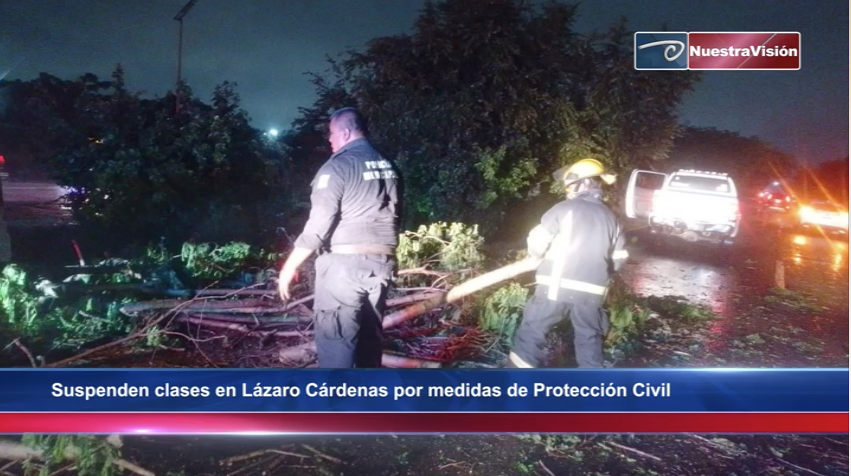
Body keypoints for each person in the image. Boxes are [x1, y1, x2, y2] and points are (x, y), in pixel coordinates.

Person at [278, 107, 401, 368]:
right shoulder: (388, 165)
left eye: (332, 133)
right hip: (381, 264)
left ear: (345, 132)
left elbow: (318, 226)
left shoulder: (337, 167)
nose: (329, 139)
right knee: (369, 342)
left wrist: (289, 266)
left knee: (336, 344)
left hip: (344, 269)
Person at [506, 158, 628, 369]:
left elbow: (537, 243)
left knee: (531, 334)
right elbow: (619, 260)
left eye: (571, 186)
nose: (569, 191)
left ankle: (516, 383)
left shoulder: (564, 209)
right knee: (589, 340)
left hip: (555, 289)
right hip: (591, 296)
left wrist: (537, 255)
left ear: (584, 183)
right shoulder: (612, 219)